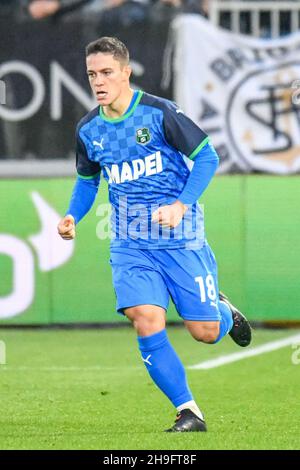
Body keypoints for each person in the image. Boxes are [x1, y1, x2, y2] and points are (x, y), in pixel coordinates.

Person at [57, 36, 252, 432]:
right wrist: (72, 216)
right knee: (144, 318)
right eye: (92, 74)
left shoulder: (159, 113)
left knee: (204, 331)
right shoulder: (88, 129)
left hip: (181, 239)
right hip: (130, 242)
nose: (99, 81)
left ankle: (223, 313)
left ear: (126, 73)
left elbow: (207, 157)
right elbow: (86, 182)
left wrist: (181, 204)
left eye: (107, 72)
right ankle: (188, 411)